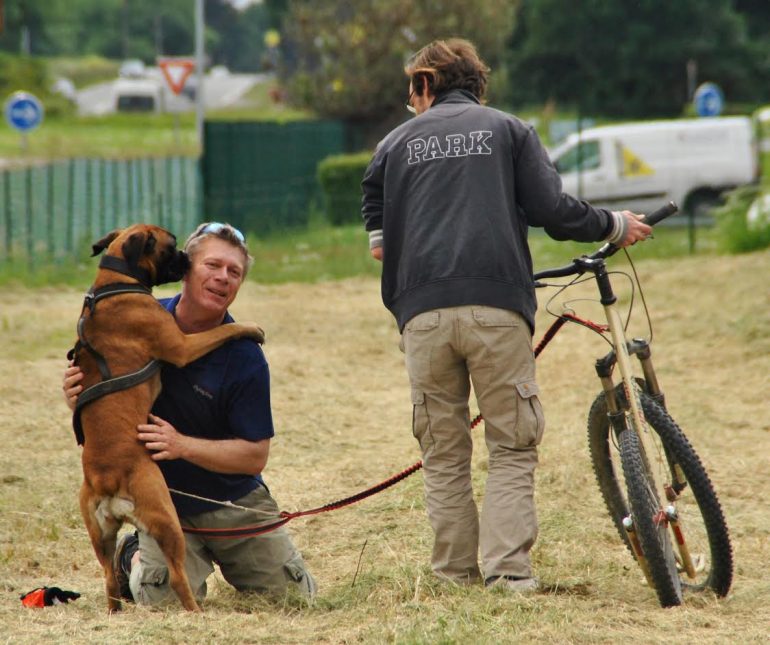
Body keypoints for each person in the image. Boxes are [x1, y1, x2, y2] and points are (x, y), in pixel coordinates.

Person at [361, 38, 652, 593]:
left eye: (411, 92)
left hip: (420, 316)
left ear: (425, 85)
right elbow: (552, 212)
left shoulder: (393, 144)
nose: (410, 103)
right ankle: (508, 574)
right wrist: (614, 224)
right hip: (496, 309)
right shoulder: (509, 130)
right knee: (511, 446)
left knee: (443, 452)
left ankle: (453, 576)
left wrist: (383, 236)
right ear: (476, 85)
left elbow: (373, 201)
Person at [63, 222, 316, 606]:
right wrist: (79, 398)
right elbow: (104, 409)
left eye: (234, 272)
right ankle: (132, 556)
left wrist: (181, 446)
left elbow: (255, 455)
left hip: (232, 504)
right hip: (162, 501)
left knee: (295, 599)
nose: (222, 278)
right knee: (160, 604)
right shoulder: (131, 318)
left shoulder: (246, 356)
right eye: (212, 265)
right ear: (185, 268)